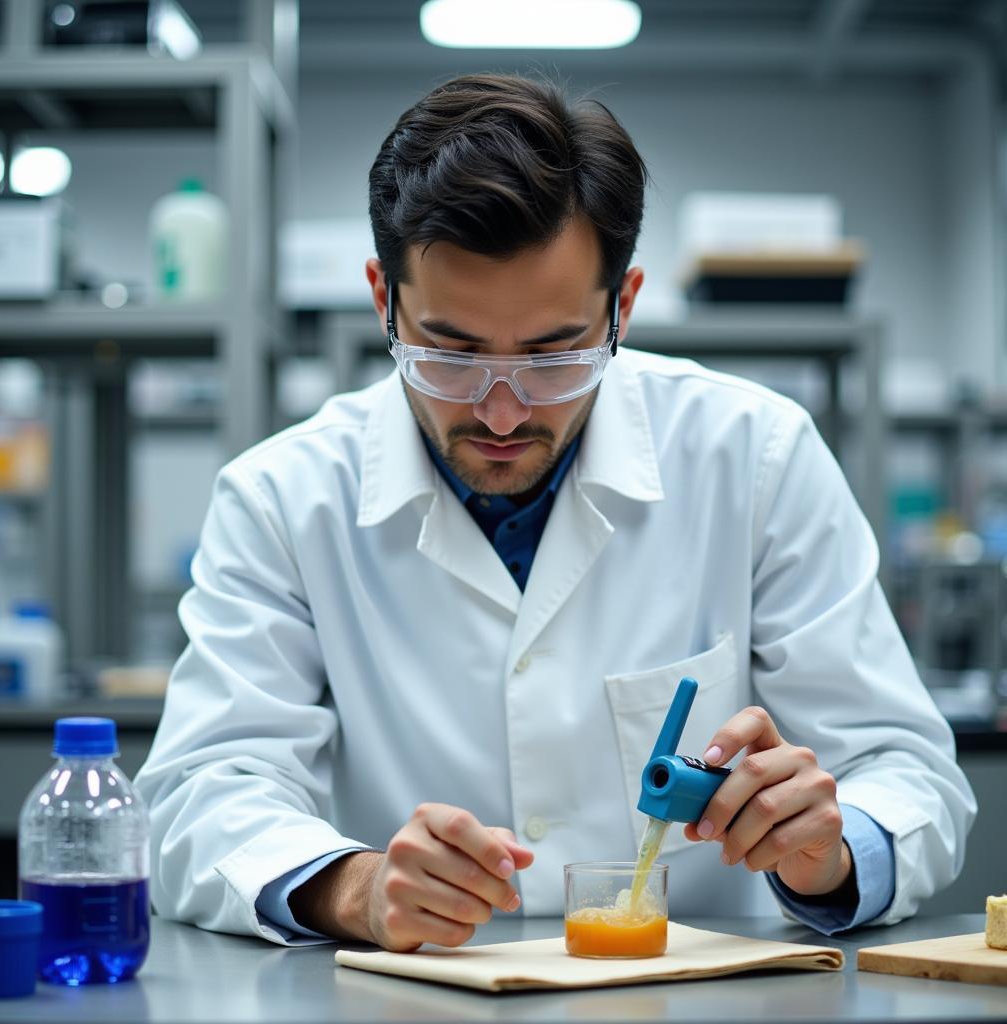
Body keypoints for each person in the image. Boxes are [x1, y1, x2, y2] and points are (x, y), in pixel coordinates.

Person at [135, 73, 975, 952]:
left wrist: (832, 850)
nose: (501, 412)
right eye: (450, 354)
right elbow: (202, 792)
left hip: (706, 1003)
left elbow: (907, 772)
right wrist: (356, 885)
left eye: (552, 357)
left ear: (624, 307)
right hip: (411, 1004)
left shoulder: (755, 457)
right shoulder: (283, 496)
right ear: (384, 298)